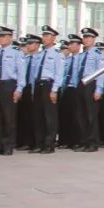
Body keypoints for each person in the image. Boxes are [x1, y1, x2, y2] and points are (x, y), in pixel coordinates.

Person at [29, 25, 64, 153]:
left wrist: (54, 90)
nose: (44, 38)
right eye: (43, 35)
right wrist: (33, 90)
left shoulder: (57, 54)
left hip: (49, 85)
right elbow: (34, 74)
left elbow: (59, 73)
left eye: (47, 36)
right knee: (38, 116)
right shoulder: (40, 54)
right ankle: (39, 143)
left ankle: (49, 144)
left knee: (49, 116)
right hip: (39, 85)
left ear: (53, 37)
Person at [0, 26, 23, 155]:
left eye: (3, 36)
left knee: (8, 117)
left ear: (10, 37)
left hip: (8, 85)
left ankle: (8, 145)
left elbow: (21, 73)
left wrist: (19, 89)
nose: (0, 38)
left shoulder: (16, 53)